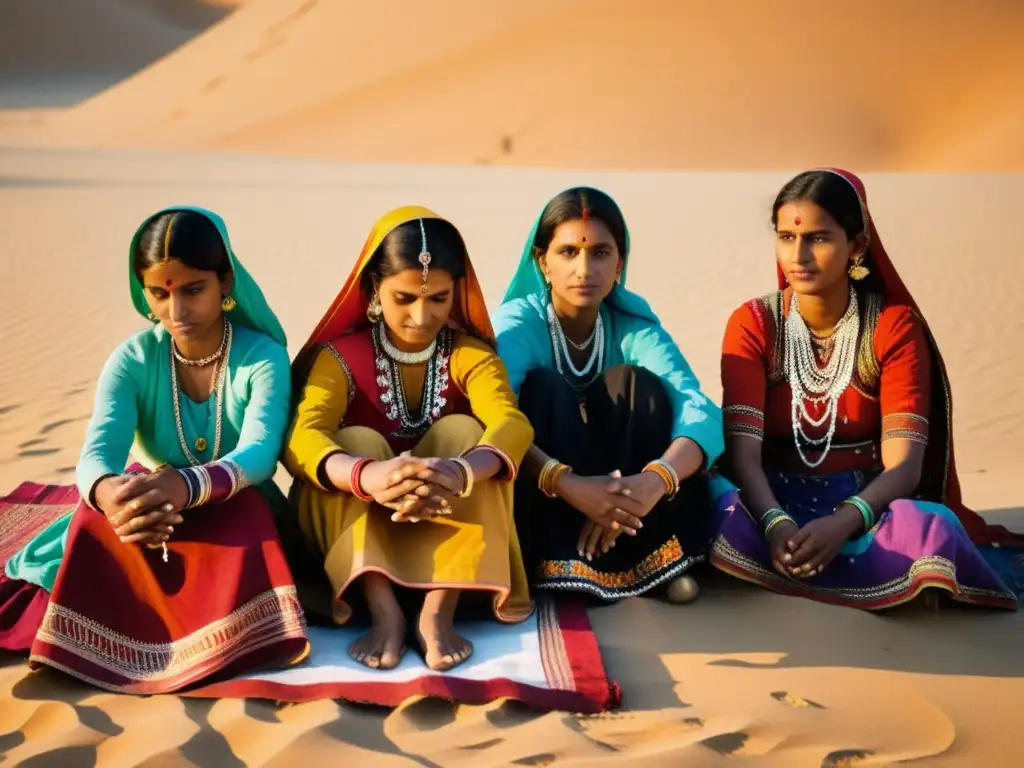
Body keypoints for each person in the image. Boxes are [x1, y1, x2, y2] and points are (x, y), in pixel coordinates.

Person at [12, 207, 309, 692]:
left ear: (226, 282)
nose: (176, 311)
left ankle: (216, 643)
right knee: (93, 519)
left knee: (252, 516)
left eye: (193, 290)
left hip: (232, 498)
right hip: (149, 505)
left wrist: (186, 485)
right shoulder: (132, 359)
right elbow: (97, 454)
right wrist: (112, 495)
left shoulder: (262, 356)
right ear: (143, 292)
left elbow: (259, 452)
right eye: (159, 293)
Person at [710, 168, 1022, 610]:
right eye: (785, 237)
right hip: (769, 504)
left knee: (932, 529)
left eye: (818, 238)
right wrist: (776, 522)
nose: (798, 255)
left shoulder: (891, 327)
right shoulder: (755, 323)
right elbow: (744, 457)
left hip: (865, 508)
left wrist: (842, 523)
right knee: (712, 506)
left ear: (856, 246)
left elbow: (904, 468)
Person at [283, 206, 534, 672]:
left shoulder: (469, 354)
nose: (422, 316)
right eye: (404, 298)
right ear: (373, 289)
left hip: (447, 507)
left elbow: (510, 423)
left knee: (467, 433)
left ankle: (439, 611)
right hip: (360, 519)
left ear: (457, 292)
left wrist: (457, 471)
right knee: (354, 438)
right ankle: (384, 611)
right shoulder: (337, 358)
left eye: (438, 298)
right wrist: (370, 476)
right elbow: (303, 438)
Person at [492, 187, 723, 602]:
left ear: (620, 264)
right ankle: (568, 561)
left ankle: (636, 558)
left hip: (632, 499)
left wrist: (653, 481)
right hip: (551, 495)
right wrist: (569, 484)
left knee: (634, 384)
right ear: (542, 262)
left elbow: (697, 408)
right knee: (544, 391)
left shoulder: (633, 325)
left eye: (600, 253)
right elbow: (492, 418)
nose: (584, 269)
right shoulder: (518, 324)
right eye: (568, 253)